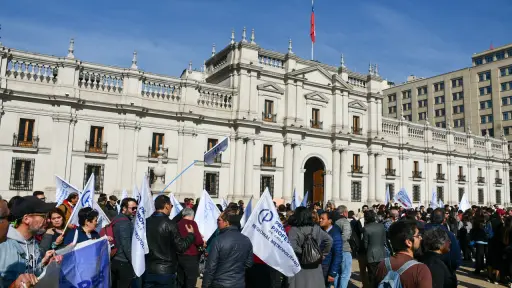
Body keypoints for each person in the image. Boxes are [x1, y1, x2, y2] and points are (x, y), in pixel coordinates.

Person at [0, 196, 57, 287]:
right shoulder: (3, 245)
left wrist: (44, 264)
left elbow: (33, 274)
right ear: (26, 219)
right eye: (44, 216)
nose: (48, 220)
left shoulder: (33, 242)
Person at [144, 195, 195, 288]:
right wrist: (191, 235)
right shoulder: (170, 224)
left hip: (149, 269)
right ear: (167, 206)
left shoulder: (146, 222)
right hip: (165, 271)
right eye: (171, 206)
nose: (171, 209)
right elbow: (181, 247)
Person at [202, 209, 253, 288]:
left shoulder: (218, 240)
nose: (217, 222)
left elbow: (210, 268)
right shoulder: (246, 239)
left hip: (220, 283)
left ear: (227, 223)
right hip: (238, 283)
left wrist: (205, 285)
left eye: (219, 220)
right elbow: (248, 263)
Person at [375, 221, 432, 288]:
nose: (420, 238)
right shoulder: (420, 270)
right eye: (418, 235)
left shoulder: (381, 265)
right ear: (408, 242)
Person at [287, 206, 332, 288]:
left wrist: (304, 253)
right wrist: (323, 254)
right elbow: (329, 240)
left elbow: (293, 247)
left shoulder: (293, 230)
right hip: (315, 265)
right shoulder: (316, 228)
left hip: (300, 265)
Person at [424, 208, 461, 274]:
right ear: (444, 220)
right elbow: (455, 255)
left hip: (423, 268)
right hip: (444, 269)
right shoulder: (449, 235)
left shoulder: (421, 232)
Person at [111, 197, 138, 288]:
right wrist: (133, 261)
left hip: (115, 259)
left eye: (136, 208)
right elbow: (126, 244)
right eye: (132, 208)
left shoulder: (117, 218)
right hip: (123, 261)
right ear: (124, 208)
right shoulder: (124, 223)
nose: (135, 210)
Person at [176, 208, 204, 288]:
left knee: (181, 280)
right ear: (192, 215)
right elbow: (198, 241)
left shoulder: (178, 224)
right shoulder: (192, 223)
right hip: (191, 256)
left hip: (179, 255)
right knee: (190, 281)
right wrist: (202, 242)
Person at [362, 210, 386, 288]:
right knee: (381, 275)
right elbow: (384, 240)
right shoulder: (381, 226)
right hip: (382, 253)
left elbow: (365, 244)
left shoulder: (366, 228)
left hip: (371, 255)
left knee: (372, 276)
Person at [319, 212, 343, 288]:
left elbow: (338, 255)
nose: (320, 220)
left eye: (323, 219)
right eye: (320, 218)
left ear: (329, 221)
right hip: (318, 266)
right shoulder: (319, 231)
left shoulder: (335, 234)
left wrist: (332, 273)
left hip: (327, 267)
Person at [334, 205, 352, 288]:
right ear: (345, 212)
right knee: (345, 274)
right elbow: (346, 235)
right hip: (344, 249)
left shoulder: (335, 221)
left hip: (336, 250)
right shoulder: (345, 221)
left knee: (337, 273)